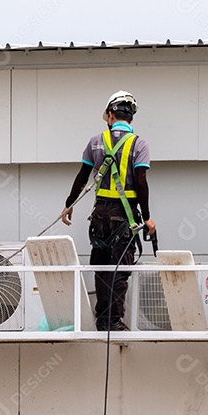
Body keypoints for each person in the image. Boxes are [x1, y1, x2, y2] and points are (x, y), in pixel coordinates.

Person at [60, 90, 156, 331]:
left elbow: (83, 175)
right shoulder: (139, 144)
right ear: (131, 119)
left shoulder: (95, 141)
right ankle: (113, 322)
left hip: (100, 215)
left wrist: (69, 203)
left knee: (102, 267)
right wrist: (147, 217)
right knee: (120, 270)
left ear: (111, 115)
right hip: (124, 215)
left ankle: (103, 320)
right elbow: (141, 181)